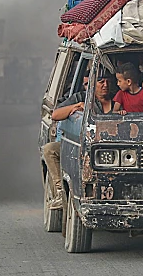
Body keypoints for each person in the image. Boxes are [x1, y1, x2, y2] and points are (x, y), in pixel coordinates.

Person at [42, 73, 114, 207]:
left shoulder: (117, 101)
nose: (105, 85)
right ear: (93, 83)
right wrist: (76, 106)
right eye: (101, 81)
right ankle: (60, 193)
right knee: (49, 149)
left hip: (108, 151)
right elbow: (55, 115)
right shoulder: (81, 97)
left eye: (107, 81)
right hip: (80, 147)